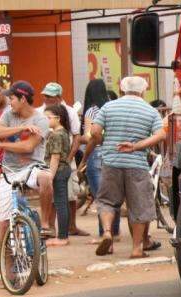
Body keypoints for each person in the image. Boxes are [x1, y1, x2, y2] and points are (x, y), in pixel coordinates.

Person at [81, 76, 165, 259]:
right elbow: (160, 135)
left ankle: (107, 232)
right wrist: (138, 146)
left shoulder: (109, 107)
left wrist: (102, 144)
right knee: (139, 207)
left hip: (111, 163)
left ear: (122, 90)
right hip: (137, 165)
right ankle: (136, 249)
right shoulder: (150, 111)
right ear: (143, 91)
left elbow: (94, 133)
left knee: (107, 201)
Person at [0, 80, 53, 257]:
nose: (9, 102)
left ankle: (46, 224)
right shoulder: (9, 114)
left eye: (12, 98)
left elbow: (28, 147)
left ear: (23, 99)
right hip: (9, 171)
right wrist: (22, 127)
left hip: (31, 167)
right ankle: (6, 266)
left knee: (46, 177)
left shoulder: (41, 120)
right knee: (3, 224)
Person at [37, 82, 89, 237]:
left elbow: (76, 138)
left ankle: (66, 230)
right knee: (55, 197)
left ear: (59, 97)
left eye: (50, 96)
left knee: (67, 197)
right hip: (49, 160)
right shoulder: (40, 112)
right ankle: (52, 227)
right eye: (45, 95)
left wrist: (69, 159)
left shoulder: (69, 113)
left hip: (59, 161)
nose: (46, 99)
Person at [79, 79, 121, 243]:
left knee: (101, 197)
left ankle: (104, 233)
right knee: (113, 195)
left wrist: (80, 142)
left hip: (96, 155)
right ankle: (114, 232)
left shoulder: (92, 111)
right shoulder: (113, 107)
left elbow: (90, 136)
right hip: (113, 154)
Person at [43, 104, 72, 246]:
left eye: (48, 118)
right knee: (63, 203)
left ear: (58, 118)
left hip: (58, 171)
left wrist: (50, 176)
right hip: (64, 169)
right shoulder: (64, 132)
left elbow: (55, 157)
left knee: (60, 204)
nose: (45, 120)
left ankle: (62, 237)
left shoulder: (56, 135)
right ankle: (63, 235)